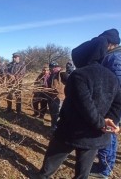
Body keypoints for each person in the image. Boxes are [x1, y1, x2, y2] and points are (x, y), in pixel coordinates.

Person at [30, 36, 121, 179]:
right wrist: (110, 120)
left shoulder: (79, 75)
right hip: (95, 135)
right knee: (82, 174)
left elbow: (85, 105)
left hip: (70, 131)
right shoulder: (112, 76)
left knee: (50, 164)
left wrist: (101, 123)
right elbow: (118, 103)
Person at [89, 28, 121, 179]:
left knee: (108, 132)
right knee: (109, 132)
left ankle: (104, 169)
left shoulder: (115, 58)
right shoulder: (110, 56)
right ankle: (104, 164)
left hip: (111, 103)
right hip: (111, 101)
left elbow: (116, 85)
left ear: (110, 43)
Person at [45, 61, 68, 131]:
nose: (50, 69)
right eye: (50, 68)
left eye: (51, 67)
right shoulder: (52, 74)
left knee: (57, 113)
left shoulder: (61, 73)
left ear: (55, 67)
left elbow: (70, 81)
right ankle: (53, 126)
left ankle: (57, 128)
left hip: (59, 97)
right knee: (52, 112)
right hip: (51, 96)